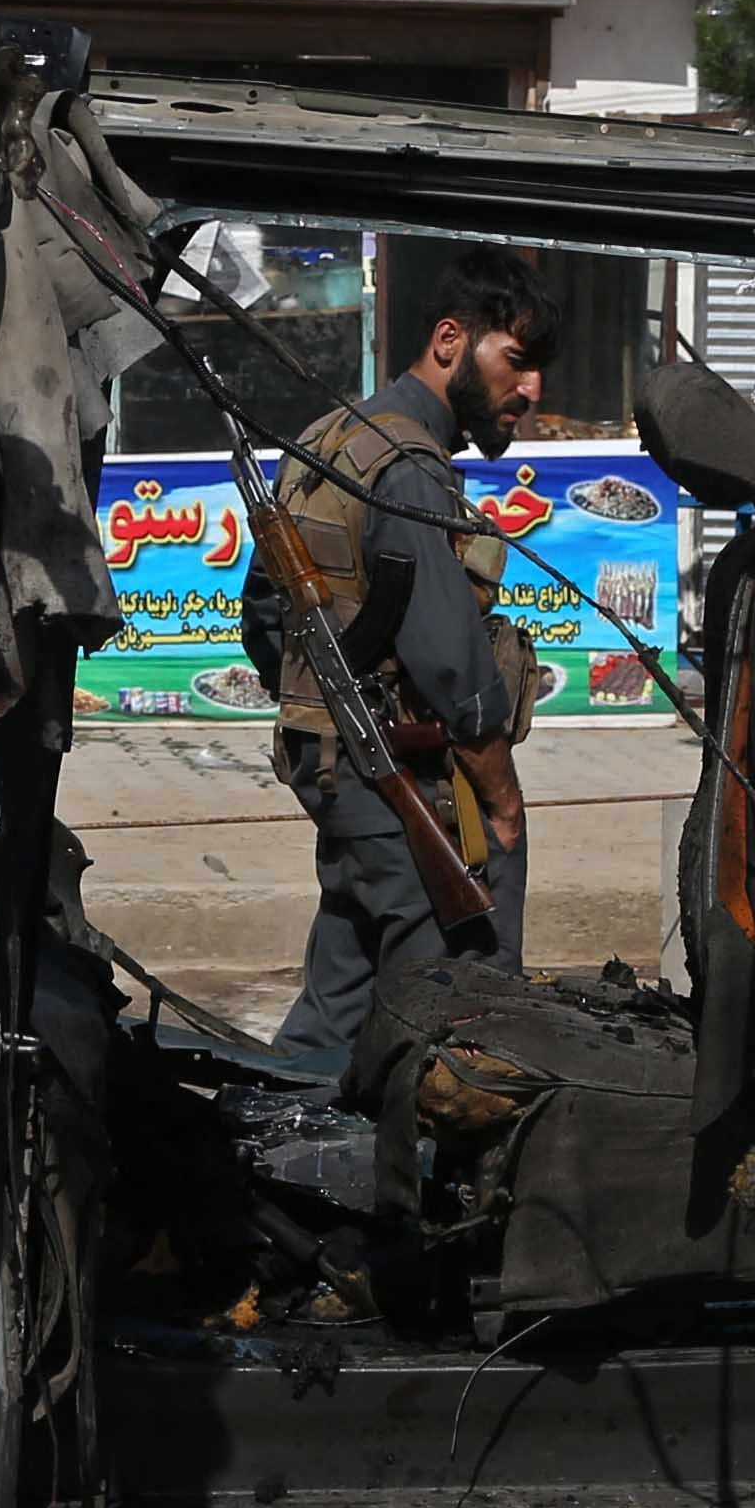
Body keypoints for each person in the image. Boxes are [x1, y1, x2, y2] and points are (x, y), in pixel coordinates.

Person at [258, 274, 549, 1069]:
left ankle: (267, 1155)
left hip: (341, 775)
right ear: (450, 341)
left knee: (338, 1011)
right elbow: (451, 663)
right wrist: (501, 798)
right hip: (404, 780)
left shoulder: (329, 439)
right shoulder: (410, 465)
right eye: (517, 361)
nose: (530, 390)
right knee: (451, 1029)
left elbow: (262, 620)